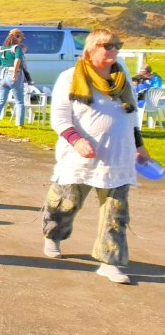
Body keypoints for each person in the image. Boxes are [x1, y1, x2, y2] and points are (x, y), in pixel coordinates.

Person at [41, 29, 152, 285]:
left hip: (118, 157)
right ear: (91, 49)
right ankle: (53, 235)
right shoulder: (70, 77)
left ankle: (109, 261)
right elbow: (59, 118)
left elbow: (131, 115)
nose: (113, 50)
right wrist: (77, 141)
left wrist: (139, 145)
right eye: (107, 45)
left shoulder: (122, 80)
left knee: (116, 213)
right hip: (79, 157)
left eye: (117, 45)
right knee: (65, 204)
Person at [0, 29, 26, 128]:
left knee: (1, 100)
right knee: (19, 101)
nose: (21, 40)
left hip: (3, 75)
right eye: (21, 38)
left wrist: (3, 63)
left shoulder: (0, 48)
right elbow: (17, 60)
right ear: (17, 37)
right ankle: (20, 124)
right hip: (13, 74)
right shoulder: (16, 48)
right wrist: (15, 74)